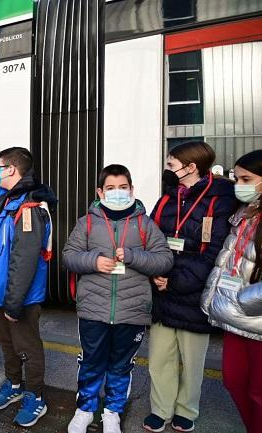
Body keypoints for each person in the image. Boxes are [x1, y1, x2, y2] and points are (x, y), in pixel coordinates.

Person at [62, 164, 174, 433]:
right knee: (91, 361)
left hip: (132, 309)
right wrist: (94, 261)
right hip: (93, 309)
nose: (117, 193)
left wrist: (134, 256)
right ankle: (85, 409)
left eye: (123, 187)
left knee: (121, 365)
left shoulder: (145, 224)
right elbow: (69, 255)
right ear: (100, 192)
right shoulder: (87, 222)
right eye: (110, 188)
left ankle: (113, 411)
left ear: (132, 189)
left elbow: (164, 260)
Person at [144, 142, 237, 432]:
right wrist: (155, 274)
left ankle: (187, 410)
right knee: (159, 359)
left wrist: (176, 281)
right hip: (162, 288)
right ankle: (161, 409)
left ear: (190, 167)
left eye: (171, 165)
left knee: (193, 362)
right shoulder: (166, 200)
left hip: (192, 293)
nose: (167, 171)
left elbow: (215, 253)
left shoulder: (219, 201)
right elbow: (151, 239)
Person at [0, 147, 57, 428]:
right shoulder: (8, 200)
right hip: (6, 293)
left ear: (11, 169)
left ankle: (35, 396)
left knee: (27, 346)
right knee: (8, 343)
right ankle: (13, 384)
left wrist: (14, 301)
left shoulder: (29, 208)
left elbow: (24, 260)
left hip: (20, 296)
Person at [202, 149, 262, 433]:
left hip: (252, 316)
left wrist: (242, 302)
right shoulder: (244, 214)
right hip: (235, 319)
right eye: (236, 178)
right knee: (234, 382)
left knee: (258, 393)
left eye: (246, 179)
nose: (239, 185)